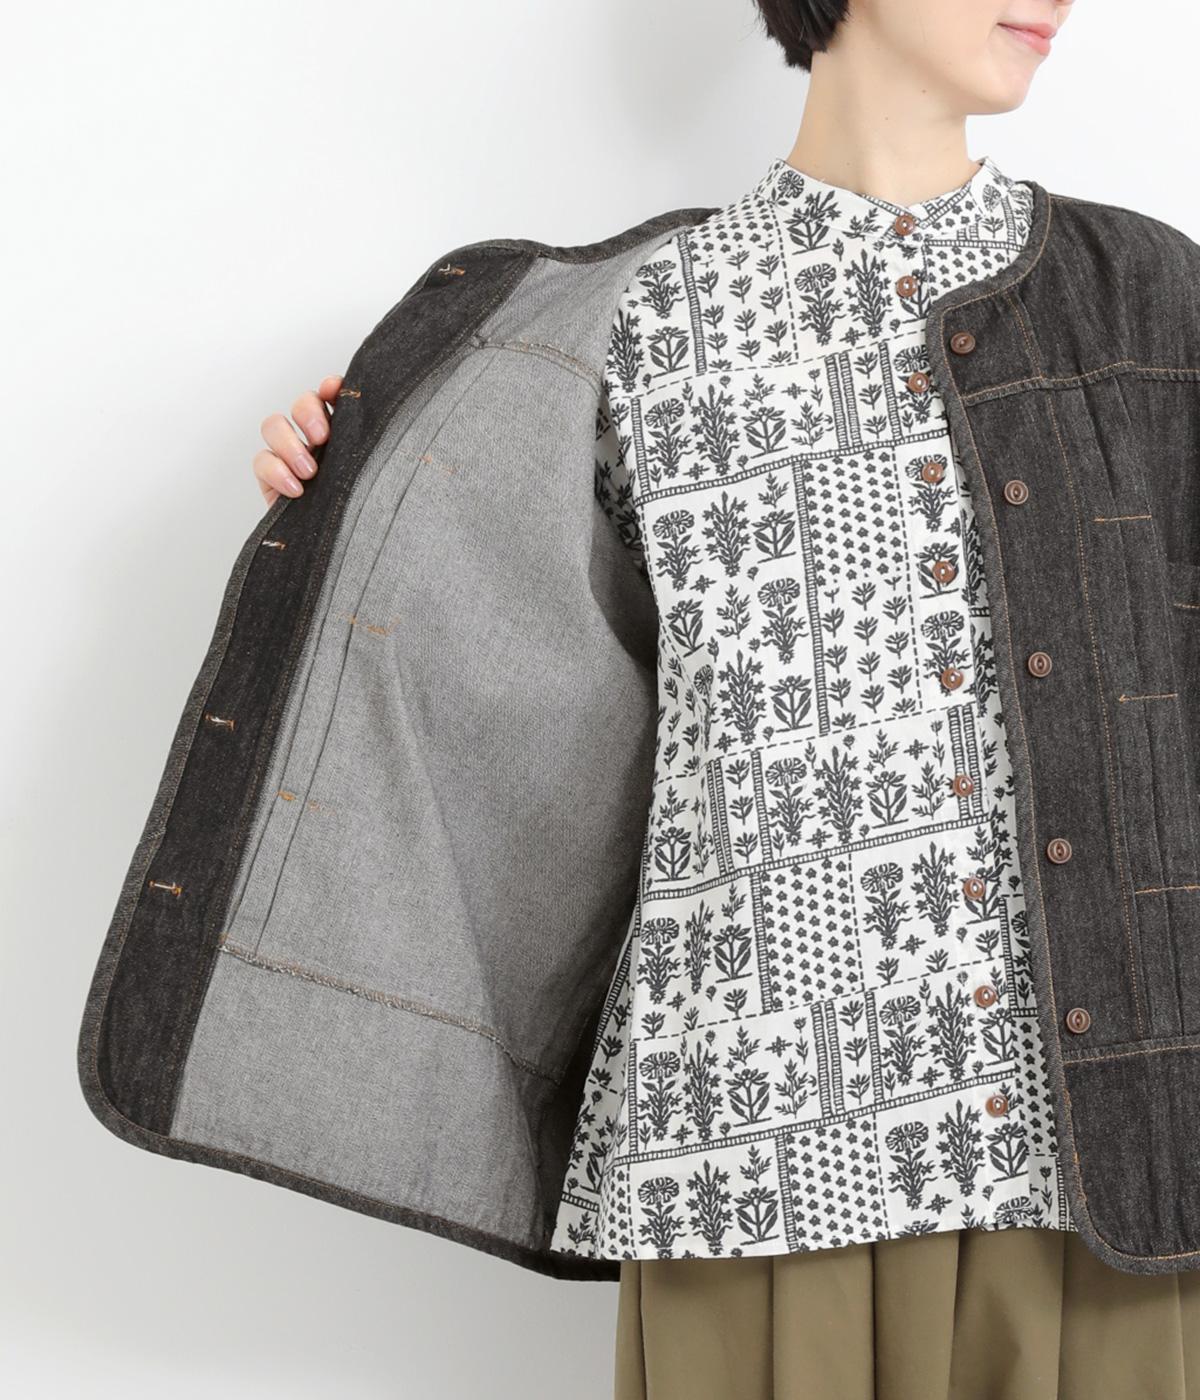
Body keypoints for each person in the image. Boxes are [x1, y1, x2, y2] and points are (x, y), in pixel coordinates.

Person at [245, 3, 1200, 1397]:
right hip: (755, 1150)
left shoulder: (1146, 303)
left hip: (1097, 1146)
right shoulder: (641, 318)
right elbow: (505, 684)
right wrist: (356, 484)